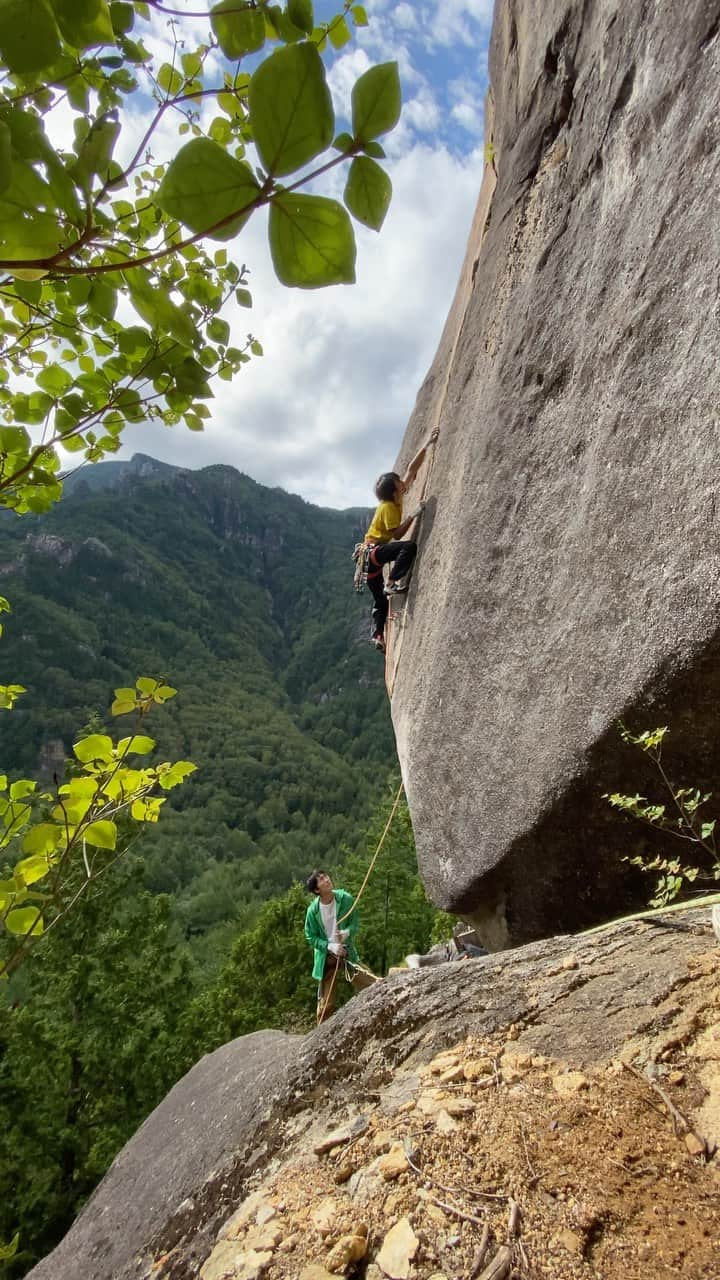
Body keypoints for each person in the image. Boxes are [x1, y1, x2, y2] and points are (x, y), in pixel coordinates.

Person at [364, 429, 439, 652]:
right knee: (408, 547)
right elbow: (397, 534)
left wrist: (426, 444)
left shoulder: (394, 499)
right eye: (399, 482)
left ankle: (378, 635)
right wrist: (414, 515)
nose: (402, 482)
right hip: (373, 554)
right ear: (395, 490)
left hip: (369, 566)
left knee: (380, 602)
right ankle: (392, 582)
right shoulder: (388, 508)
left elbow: (411, 471)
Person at [304, 869, 376, 1024]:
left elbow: (354, 923)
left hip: (345, 951)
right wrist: (330, 946)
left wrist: (346, 933)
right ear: (317, 890)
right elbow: (311, 937)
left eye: (325, 876)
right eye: (321, 879)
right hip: (327, 957)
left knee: (371, 983)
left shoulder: (345, 899)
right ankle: (320, 1036)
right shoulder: (312, 911)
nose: (326, 879)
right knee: (325, 1005)